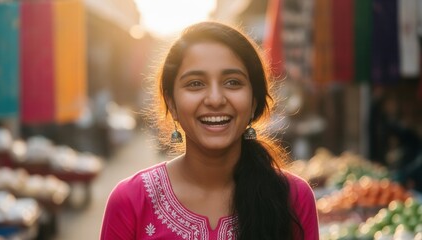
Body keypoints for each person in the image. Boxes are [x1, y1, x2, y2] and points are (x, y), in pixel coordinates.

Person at [100, 21, 319, 240]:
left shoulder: (293, 197)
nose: (215, 99)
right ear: (171, 103)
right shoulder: (131, 201)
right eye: (195, 84)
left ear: (254, 100)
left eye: (233, 82)